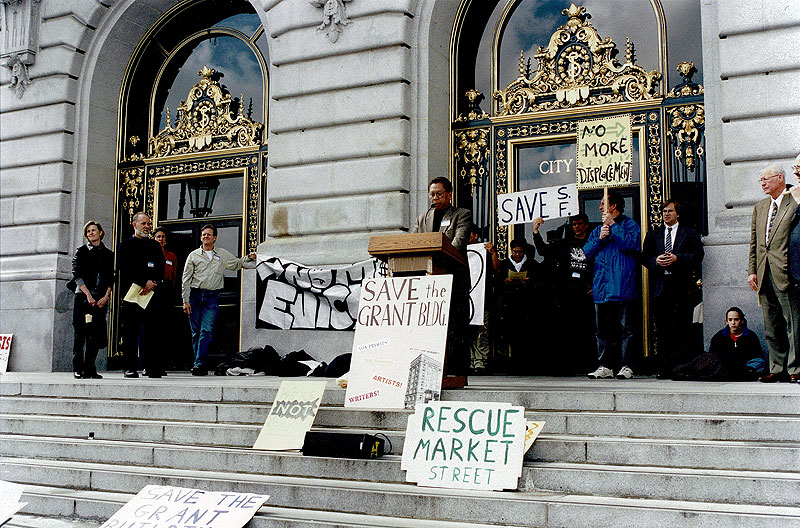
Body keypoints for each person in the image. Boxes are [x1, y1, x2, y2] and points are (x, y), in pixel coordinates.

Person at [747, 164, 800, 383]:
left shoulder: (794, 201)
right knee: (771, 324)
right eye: (760, 180)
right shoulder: (760, 207)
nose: (762, 184)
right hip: (763, 273)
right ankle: (776, 367)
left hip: (785, 272)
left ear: (780, 178)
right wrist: (752, 271)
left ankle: (795, 368)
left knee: (793, 324)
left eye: (766, 179)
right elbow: (755, 243)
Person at [182, 224, 257, 376]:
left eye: (209, 234)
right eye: (203, 234)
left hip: (212, 297)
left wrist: (251, 258)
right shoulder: (193, 255)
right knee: (196, 332)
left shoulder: (222, 254)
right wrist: (185, 300)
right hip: (196, 296)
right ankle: (199, 364)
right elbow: (186, 279)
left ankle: (199, 364)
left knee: (206, 331)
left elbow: (237, 264)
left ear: (214, 237)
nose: (206, 237)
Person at [642, 200, 704, 377]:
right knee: (662, 329)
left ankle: (681, 368)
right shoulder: (654, 234)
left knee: (682, 328)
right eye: (663, 211)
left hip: (681, 287)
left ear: (677, 213)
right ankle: (664, 367)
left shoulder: (689, 233)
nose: (666, 214)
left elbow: (698, 255)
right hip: (661, 287)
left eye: (670, 211)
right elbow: (645, 257)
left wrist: (678, 258)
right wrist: (655, 261)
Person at [583, 191, 641, 379]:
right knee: (602, 330)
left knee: (626, 329)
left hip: (622, 286)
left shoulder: (629, 225)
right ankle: (605, 365)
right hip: (602, 288)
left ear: (613, 206)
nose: (600, 207)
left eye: (603, 203)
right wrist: (600, 238)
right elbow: (585, 253)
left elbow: (631, 244)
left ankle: (627, 365)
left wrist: (614, 226)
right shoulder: (597, 229)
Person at [533, 213, 595, 373]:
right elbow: (544, 251)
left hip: (590, 292)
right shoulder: (566, 243)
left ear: (586, 225)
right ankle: (571, 364)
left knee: (589, 329)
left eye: (580, 224)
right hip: (570, 293)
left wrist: (595, 284)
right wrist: (535, 231)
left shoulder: (594, 240)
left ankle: (590, 364)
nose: (577, 227)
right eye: (574, 224)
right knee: (570, 328)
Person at [117, 212, 165, 378]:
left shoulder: (154, 245)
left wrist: (152, 283)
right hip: (132, 295)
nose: (146, 226)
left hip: (151, 294)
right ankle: (130, 367)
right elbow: (126, 268)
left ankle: (151, 367)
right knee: (131, 332)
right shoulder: (125, 245)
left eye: (148, 223)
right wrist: (143, 282)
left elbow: (160, 267)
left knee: (152, 332)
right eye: (143, 223)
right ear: (134, 224)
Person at [671, 307, 765, 381]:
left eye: (736, 319)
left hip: (741, 368)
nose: (733, 323)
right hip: (722, 367)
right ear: (726, 321)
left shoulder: (751, 336)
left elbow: (757, 358)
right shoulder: (719, 336)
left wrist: (749, 368)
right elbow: (713, 357)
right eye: (730, 320)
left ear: (742, 320)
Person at [70, 221, 114, 379]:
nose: (91, 233)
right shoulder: (80, 251)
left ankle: (90, 368)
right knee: (80, 333)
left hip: (101, 298)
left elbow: (111, 278)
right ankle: (78, 368)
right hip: (83, 296)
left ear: (101, 232)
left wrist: (106, 296)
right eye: (88, 231)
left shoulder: (109, 254)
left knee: (95, 335)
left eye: (94, 230)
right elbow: (77, 275)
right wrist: (88, 295)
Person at [493, 238, 538, 373]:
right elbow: (497, 281)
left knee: (526, 336)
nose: (517, 255)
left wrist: (528, 281)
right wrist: (504, 281)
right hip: (510, 305)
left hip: (526, 306)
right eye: (515, 252)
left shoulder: (532, 264)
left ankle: (526, 365)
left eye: (520, 252)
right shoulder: (505, 264)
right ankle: (513, 365)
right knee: (511, 335)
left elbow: (538, 280)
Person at [413, 176, 472, 251]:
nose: (435, 198)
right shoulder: (421, 219)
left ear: (450, 195)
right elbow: (412, 242)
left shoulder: (462, 215)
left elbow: (459, 243)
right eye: (432, 194)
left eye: (439, 194)